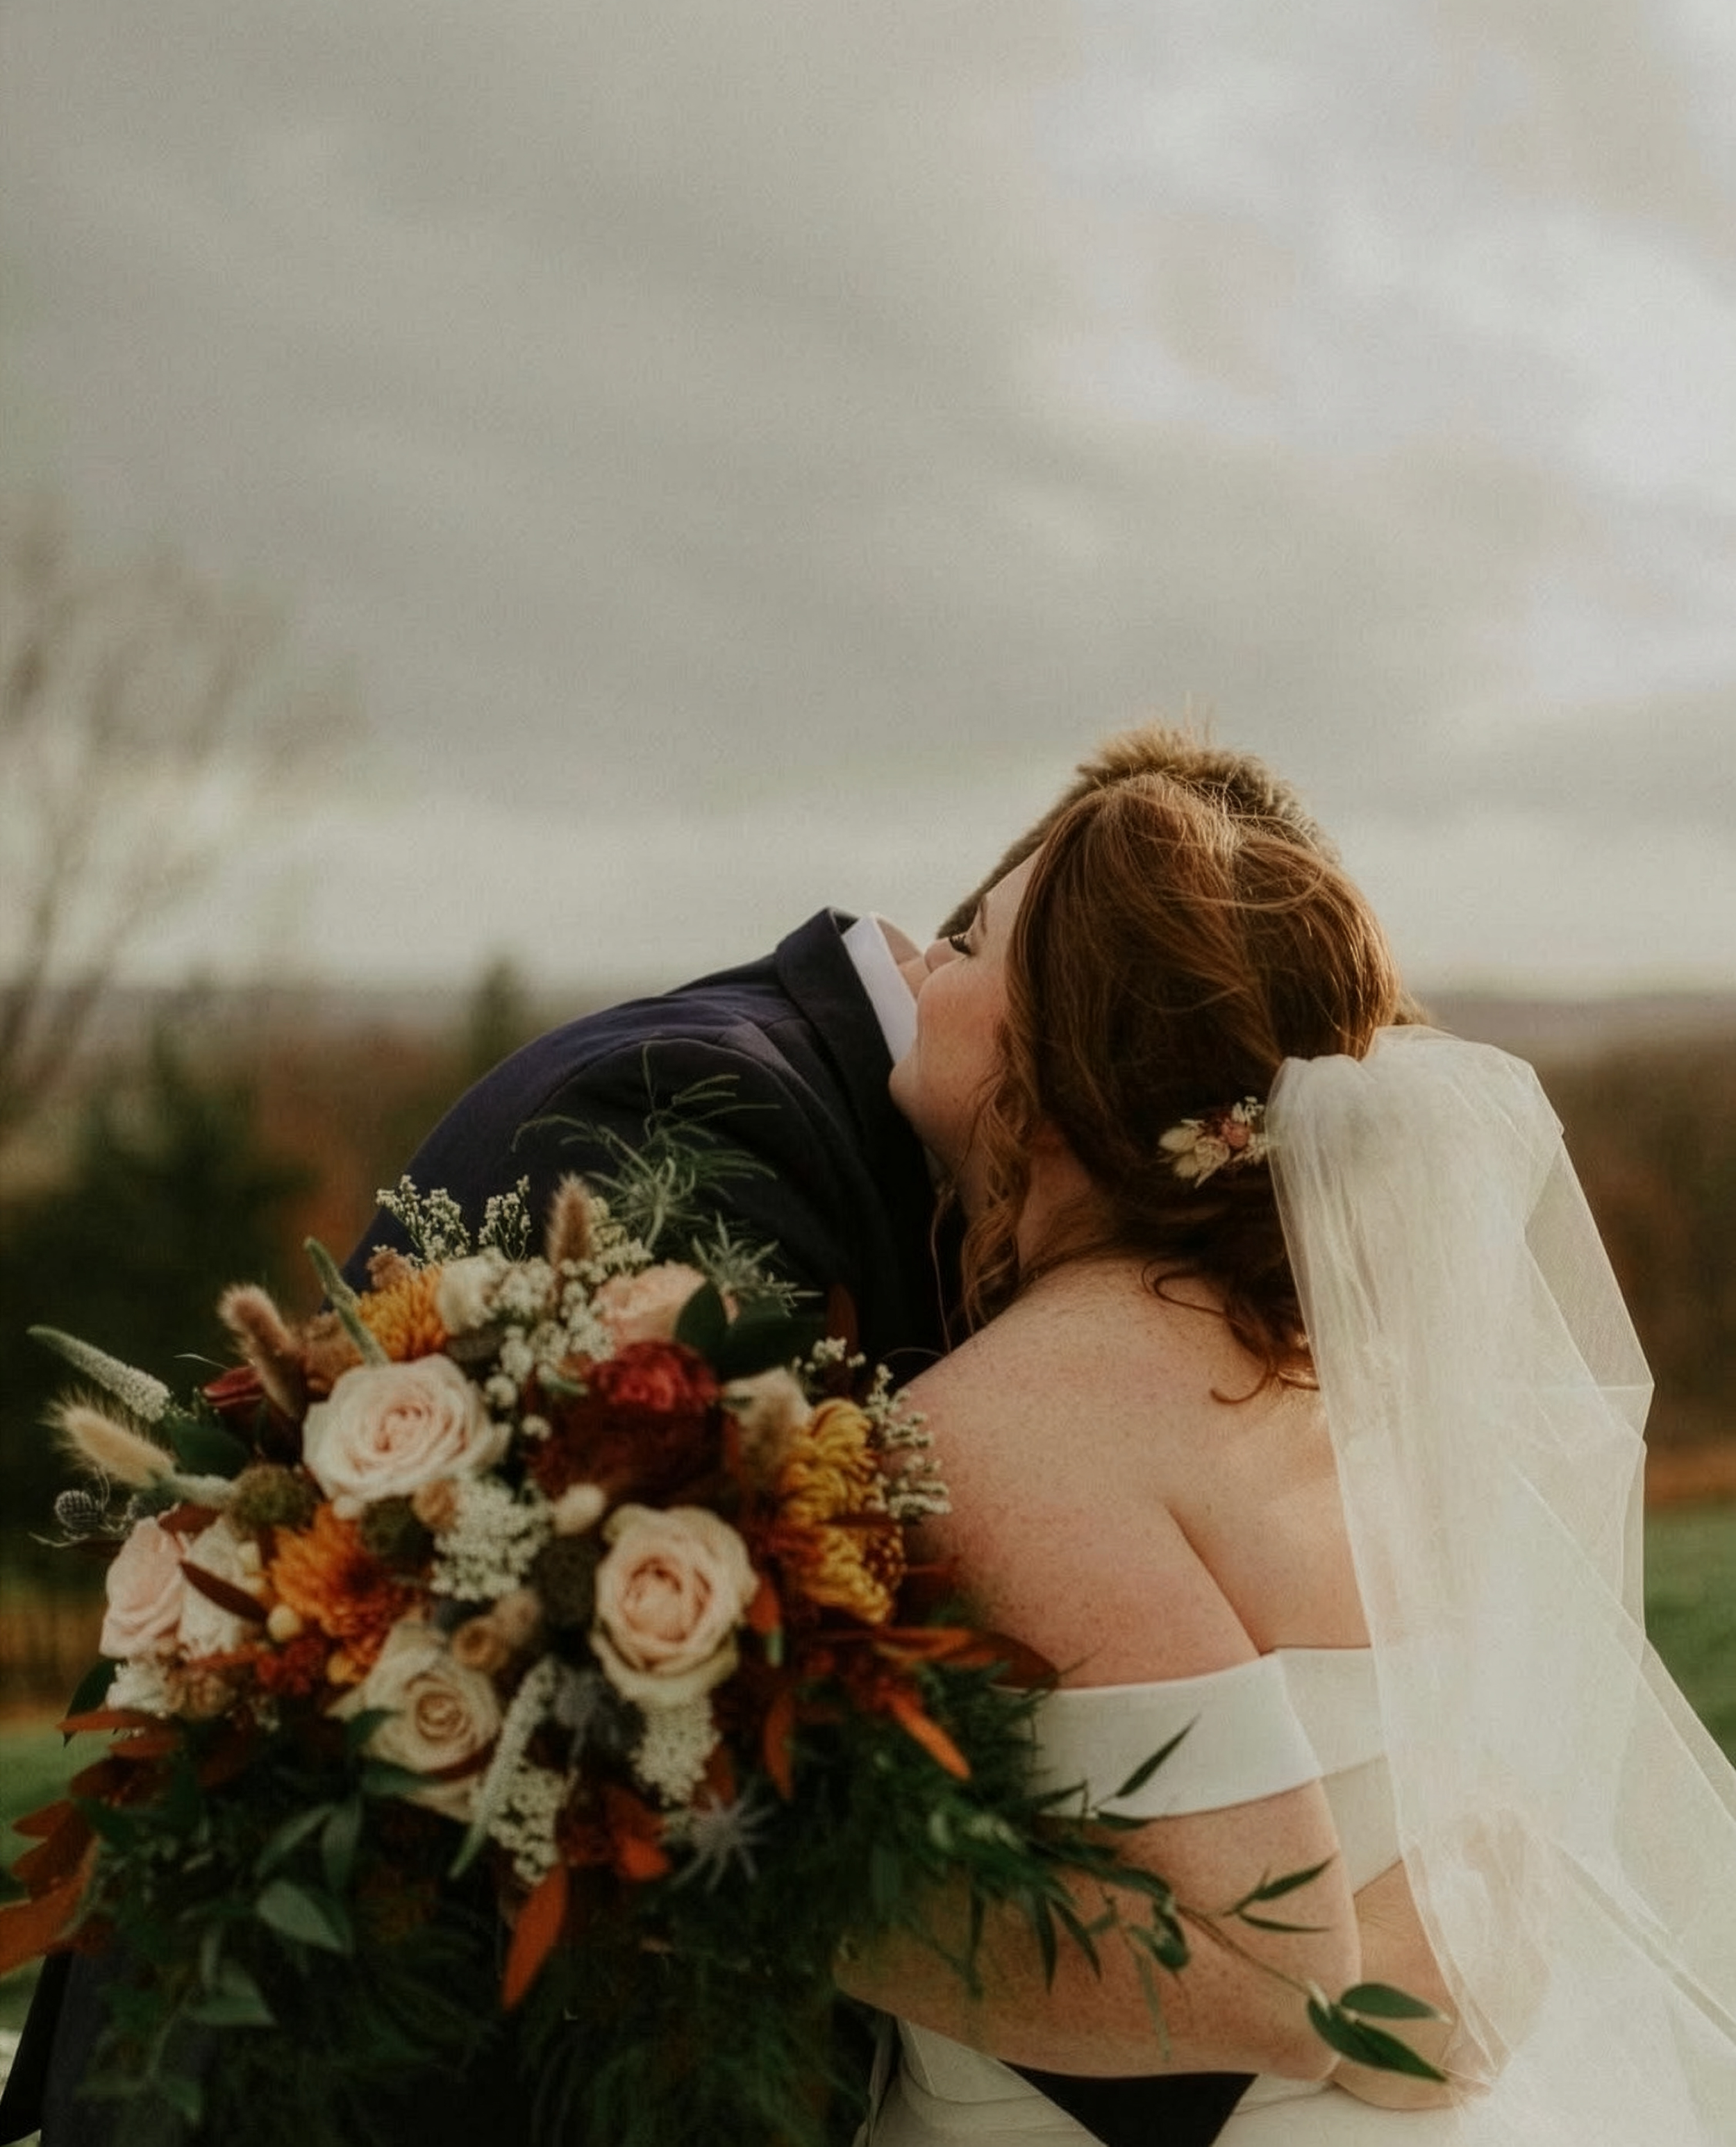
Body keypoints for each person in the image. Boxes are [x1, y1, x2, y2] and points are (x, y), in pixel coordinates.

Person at [1, 725, 1337, 2147]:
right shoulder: (687, 1114)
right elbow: (660, 1706)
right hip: (363, 2051)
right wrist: (1233, 2018)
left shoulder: (931, 1166)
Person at [837, 772, 1736, 2142]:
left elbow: (1283, 1957)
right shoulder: (1328, 1377)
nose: (914, 960)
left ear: (1057, 1074)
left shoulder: (1006, 1425)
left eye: (968, 944)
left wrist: (760, 1895)